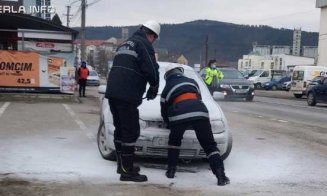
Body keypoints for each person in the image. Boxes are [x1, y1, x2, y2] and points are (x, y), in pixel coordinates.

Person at [105, 20, 160, 182]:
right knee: (131, 131)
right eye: (154, 39)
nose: (153, 42)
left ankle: (121, 165)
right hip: (127, 94)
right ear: (151, 35)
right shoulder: (143, 44)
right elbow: (150, 67)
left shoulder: (124, 44)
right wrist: (154, 86)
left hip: (113, 92)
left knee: (121, 130)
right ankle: (127, 171)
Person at [160, 64, 230, 186]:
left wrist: (169, 124)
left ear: (168, 76)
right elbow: (198, 98)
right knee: (210, 146)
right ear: (180, 72)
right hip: (200, 112)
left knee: (174, 142)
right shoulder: (192, 81)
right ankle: (221, 176)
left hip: (179, 115)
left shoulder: (167, 87)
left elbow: (164, 110)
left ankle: (171, 171)